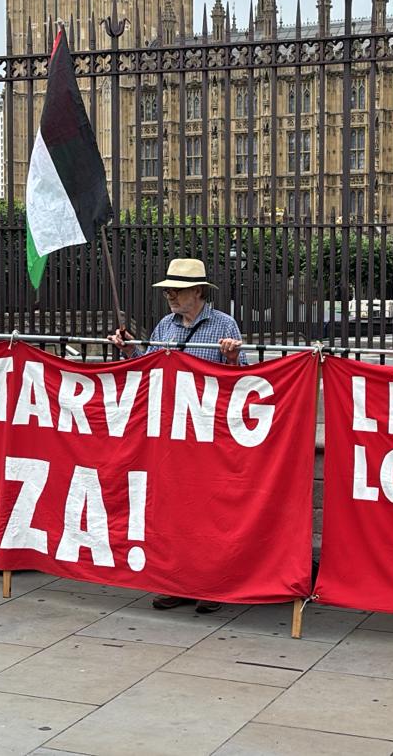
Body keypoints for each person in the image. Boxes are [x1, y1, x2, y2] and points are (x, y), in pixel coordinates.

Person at [107, 257, 243, 613]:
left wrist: (231, 358)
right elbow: (152, 367)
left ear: (197, 291)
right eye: (167, 289)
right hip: (170, 432)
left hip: (207, 433)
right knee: (173, 509)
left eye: (176, 290)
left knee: (208, 511)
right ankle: (177, 581)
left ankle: (212, 586)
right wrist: (130, 351)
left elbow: (242, 381)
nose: (169, 295)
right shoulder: (165, 325)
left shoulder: (224, 325)